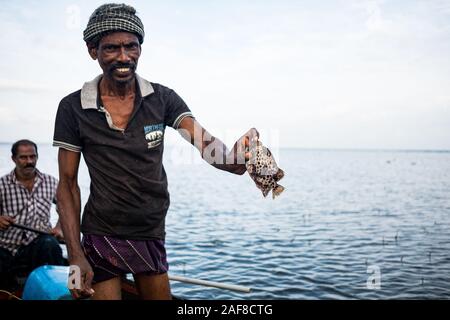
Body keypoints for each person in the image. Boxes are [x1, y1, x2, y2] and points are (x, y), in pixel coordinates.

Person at [53, 3, 259, 300]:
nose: (124, 58)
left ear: (140, 48)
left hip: (150, 229)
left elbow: (203, 141)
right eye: (111, 48)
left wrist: (231, 160)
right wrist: (75, 257)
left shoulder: (162, 98)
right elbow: (68, 186)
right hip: (101, 232)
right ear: (92, 50)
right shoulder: (72, 107)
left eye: (131, 47)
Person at [0, 140, 65, 289]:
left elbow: (65, 208)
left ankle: (57, 292)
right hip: (6, 247)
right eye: (23, 157)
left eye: (32, 156)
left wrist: (59, 227)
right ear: (13, 159)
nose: (29, 161)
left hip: (39, 244)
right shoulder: (2, 184)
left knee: (51, 245)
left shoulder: (51, 182)